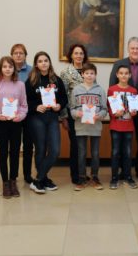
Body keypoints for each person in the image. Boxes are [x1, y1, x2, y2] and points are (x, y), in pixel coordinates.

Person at [109, 36, 138, 182]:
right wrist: (114, 110)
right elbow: (112, 85)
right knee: (121, 143)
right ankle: (122, 171)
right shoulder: (118, 64)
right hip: (121, 112)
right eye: (132, 48)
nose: (135, 50)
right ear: (128, 49)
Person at [25, 51, 68, 194]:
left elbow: (64, 98)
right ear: (36, 64)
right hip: (37, 118)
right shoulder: (31, 80)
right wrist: (35, 106)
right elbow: (24, 101)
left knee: (55, 151)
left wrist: (59, 106)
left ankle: (38, 179)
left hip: (52, 118)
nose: (43, 63)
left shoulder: (56, 80)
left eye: (46, 60)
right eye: (40, 61)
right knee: (41, 150)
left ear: (49, 62)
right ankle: (43, 179)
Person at [0, 56, 28, 198]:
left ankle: (13, 181)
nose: (7, 69)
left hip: (16, 123)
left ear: (14, 68)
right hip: (1, 123)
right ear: (0, 68)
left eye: (10, 66)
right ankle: (5, 182)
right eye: (4, 66)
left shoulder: (20, 85)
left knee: (15, 152)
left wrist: (20, 116)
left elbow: (24, 105)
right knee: (3, 152)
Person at [70, 63, 107, 191]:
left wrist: (99, 116)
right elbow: (72, 109)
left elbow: (104, 109)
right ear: (82, 74)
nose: (89, 75)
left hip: (95, 127)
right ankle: (81, 178)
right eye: (87, 73)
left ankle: (95, 177)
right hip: (81, 127)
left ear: (95, 75)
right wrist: (77, 113)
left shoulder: (100, 90)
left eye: (92, 73)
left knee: (95, 154)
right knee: (81, 153)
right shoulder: (76, 90)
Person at [60, 43, 89, 184]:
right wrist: (64, 117)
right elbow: (63, 96)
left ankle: (83, 173)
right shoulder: (65, 73)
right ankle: (75, 175)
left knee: (84, 145)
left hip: (88, 115)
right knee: (76, 145)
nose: (79, 56)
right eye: (76, 53)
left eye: (81, 53)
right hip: (73, 114)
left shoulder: (89, 70)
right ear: (71, 55)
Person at [108, 65, 138, 190]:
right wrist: (114, 114)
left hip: (128, 127)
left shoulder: (133, 91)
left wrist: (134, 113)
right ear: (117, 75)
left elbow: (135, 110)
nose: (124, 75)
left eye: (126, 73)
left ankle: (128, 176)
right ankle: (114, 178)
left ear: (130, 75)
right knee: (115, 153)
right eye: (121, 73)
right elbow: (109, 108)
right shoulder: (112, 90)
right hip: (115, 126)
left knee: (127, 153)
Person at [10, 43, 34, 184]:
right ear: (11, 55)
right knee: (14, 145)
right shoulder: (8, 70)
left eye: (21, 53)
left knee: (28, 145)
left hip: (29, 114)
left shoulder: (32, 71)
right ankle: (13, 176)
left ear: (25, 55)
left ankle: (27, 175)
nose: (18, 55)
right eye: (15, 53)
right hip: (12, 115)